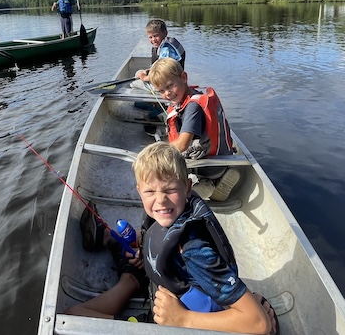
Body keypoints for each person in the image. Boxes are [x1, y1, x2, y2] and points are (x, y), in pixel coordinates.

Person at [67, 143, 277, 334]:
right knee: (74, 314)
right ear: (139, 191)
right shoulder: (165, 215)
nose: (160, 199)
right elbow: (160, 239)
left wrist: (182, 319)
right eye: (150, 191)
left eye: (170, 189)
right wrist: (145, 255)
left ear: (187, 187)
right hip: (165, 295)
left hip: (175, 322)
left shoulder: (195, 251)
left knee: (73, 317)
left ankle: (129, 280)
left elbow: (258, 323)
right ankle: (130, 278)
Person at [148, 57, 240, 202]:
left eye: (170, 86)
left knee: (164, 175)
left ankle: (203, 185)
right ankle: (216, 180)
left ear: (184, 77)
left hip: (208, 167)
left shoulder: (192, 108)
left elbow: (182, 145)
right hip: (220, 160)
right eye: (161, 91)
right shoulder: (192, 94)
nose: (167, 94)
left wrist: (157, 153)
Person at [131, 19, 185, 90]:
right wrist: (148, 70)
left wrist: (144, 78)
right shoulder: (166, 45)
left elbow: (162, 75)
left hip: (167, 85)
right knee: (139, 72)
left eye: (156, 36)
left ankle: (150, 99)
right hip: (171, 80)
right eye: (150, 37)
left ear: (165, 33)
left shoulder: (166, 50)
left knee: (133, 83)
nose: (153, 39)